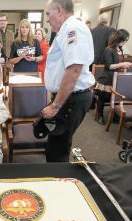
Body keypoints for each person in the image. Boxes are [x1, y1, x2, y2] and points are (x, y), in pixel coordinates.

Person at [42, 0, 94, 162]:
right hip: (68, 97)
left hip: (72, 99)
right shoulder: (66, 29)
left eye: (48, 14)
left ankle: (59, 184)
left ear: (59, 10)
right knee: (58, 144)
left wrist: (55, 105)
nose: (47, 20)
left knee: (57, 150)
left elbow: (74, 70)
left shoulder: (73, 29)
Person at [94, 29, 132, 125]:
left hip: (116, 76)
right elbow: (109, 66)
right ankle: (100, 115)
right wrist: (122, 64)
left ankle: (114, 115)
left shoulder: (120, 49)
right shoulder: (108, 49)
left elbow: (117, 64)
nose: (124, 42)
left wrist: (124, 65)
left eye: (126, 41)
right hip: (107, 77)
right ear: (118, 38)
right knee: (103, 97)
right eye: (123, 40)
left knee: (116, 97)